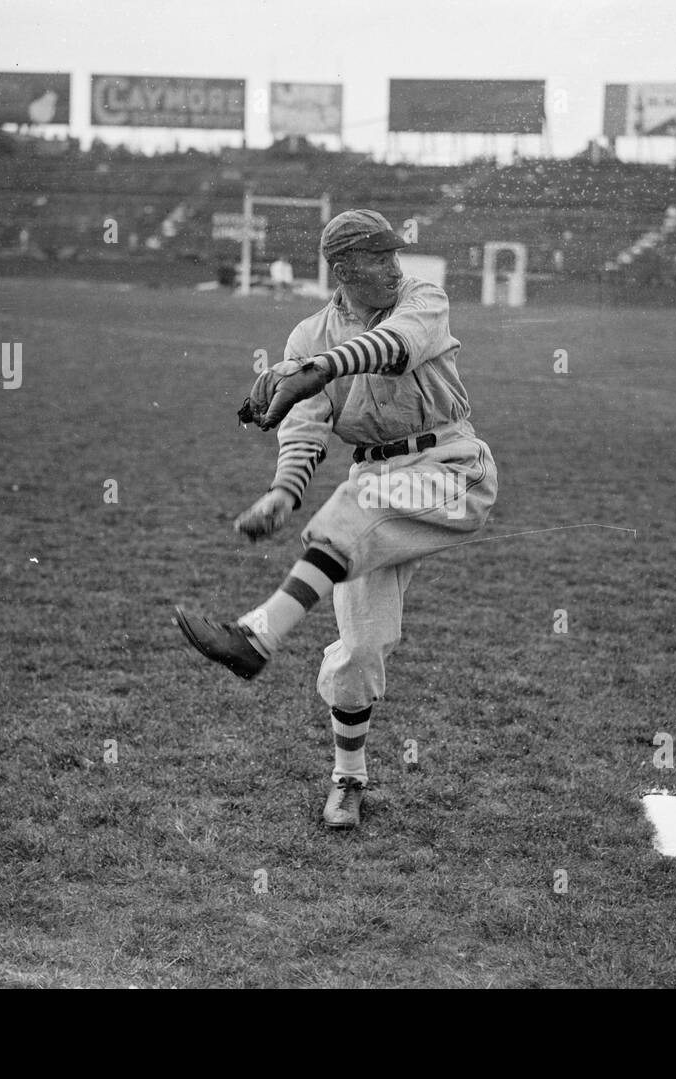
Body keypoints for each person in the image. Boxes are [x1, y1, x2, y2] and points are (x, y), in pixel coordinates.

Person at [176, 209, 498, 829]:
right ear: (345, 268)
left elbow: (396, 351)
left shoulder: (422, 298)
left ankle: (258, 635)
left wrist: (318, 370)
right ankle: (348, 782)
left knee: (354, 504)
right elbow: (303, 429)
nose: (395, 265)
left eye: (394, 253)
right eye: (380, 257)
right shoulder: (307, 337)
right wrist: (282, 494)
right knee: (358, 650)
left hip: (455, 470)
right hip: (375, 482)